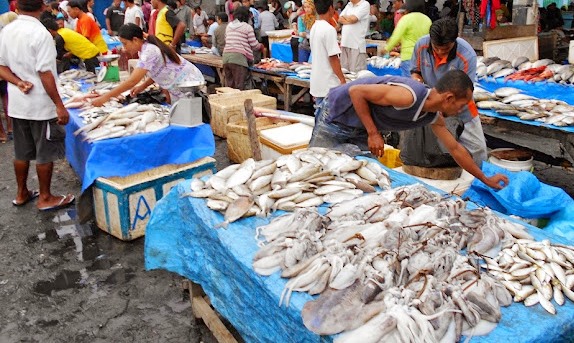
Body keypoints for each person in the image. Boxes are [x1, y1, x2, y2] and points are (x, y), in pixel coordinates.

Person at [309, 70, 509, 190]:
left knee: (354, 176)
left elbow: (455, 149)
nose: (460, 111)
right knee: (315, 171)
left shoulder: (433, 116)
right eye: (460, 106)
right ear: (448, 98)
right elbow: (356, 92)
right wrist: (373, 133)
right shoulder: (409, 96)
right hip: (336, 116)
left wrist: (485, 179)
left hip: (360, 126)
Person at [0, 0, 75, 210]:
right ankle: (45, 197)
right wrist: (59, 105)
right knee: (45, 152)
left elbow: (1, 65)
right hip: (41, 105)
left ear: (16, 7)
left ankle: (21, 193)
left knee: (21, 152)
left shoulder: (7, 30)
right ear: (42, 7)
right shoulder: (40, 33)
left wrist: (18, 82)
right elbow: (45, 72)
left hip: (17, 104)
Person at [408, 17, 486, 167]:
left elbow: (465, 92)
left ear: (454, 41)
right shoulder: (421, 45)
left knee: (477, 150)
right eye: (436, 48)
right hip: (431, 105)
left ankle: (480, 180)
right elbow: (415, 72)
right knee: (437, 149)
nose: (440, 52)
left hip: (460, 107)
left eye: (445, 49)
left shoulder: (467, 55)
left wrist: (444, 110)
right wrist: (418, 83)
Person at [91, 23, 204, 106]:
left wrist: (105, 98)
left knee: (189, 121)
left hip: (188, 84)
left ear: (135, 40)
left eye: (125, 44)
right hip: (178, 86)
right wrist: (142, 87)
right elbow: (157, 71)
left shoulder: (149, 51)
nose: (124, 48)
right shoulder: (144, 49)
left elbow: (132, 81)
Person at [310, 0, 345, 107]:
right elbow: (333, 58)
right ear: (331, 8)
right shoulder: (329, 29)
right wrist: (342, 80)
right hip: (328, 83)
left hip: (317, 81)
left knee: (319, 117)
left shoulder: (314, 27)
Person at [382, 0, 431, 76]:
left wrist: (386, 48)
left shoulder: (406, 18)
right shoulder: (427, 20)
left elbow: (396, 36)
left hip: (408, 56)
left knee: (408, 83)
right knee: (420, 82)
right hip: (423, 56)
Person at [222, 6, 263, 90]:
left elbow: (226, 39)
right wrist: (261, 46)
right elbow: (254, 45)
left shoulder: (229, 26)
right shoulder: (247, 27)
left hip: (226, 57)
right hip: (239, 59)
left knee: (229, 87)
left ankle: (230, 102)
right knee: (240, 87)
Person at [338, 0, 370, 72]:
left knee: (356, 73)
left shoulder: (364, 4)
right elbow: (340, 19)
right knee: (344, 72)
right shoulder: (349, 5)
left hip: (356, 45)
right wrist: (349, 20)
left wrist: (347, 18)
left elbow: (354, 19)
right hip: (345, 43)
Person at [0, 11, 17, 143]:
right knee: (7, 99)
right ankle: (11, 128)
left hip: (4, 71)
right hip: (6, 73)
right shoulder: (8, 35)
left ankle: (2, 134)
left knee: (6, 99)